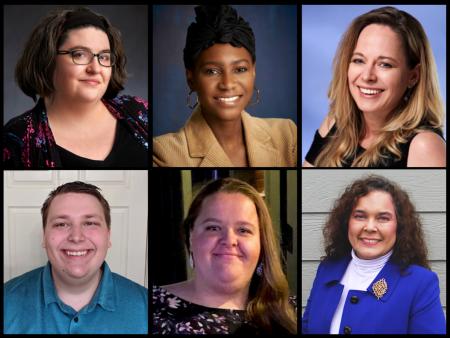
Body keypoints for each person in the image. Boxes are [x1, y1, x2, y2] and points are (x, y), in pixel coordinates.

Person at [3, 7, 148, 168]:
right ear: (47, 59)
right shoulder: (16, 138)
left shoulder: (139, 112)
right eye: (79, 54)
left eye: (104, 57)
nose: (95, 68)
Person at [153, 5, 297, 167]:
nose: (227, 84)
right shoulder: (163, 154)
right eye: (212, 71)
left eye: (240, 69)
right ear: (191, 78)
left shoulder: (287, 135)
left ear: (253, 72)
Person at [303, 6, 445, 167]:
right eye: (359, 60)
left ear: (413, 76)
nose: (367, 76)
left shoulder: (424, 146)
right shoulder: (334, 123)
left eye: (385, 64)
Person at [302, 175, 446, 334]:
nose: (370, 227)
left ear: (399, 226)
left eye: (383, 218)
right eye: (360, 216)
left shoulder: (420, 283)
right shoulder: (327, 269)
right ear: (346, 222)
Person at [152, 178, 297, 334]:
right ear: (190, 237)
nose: (229, 241)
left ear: (262, 244)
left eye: (243, 230)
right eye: (213, 228)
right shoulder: (150, 307)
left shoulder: (292, 313)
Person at [4, 181, 148, 334]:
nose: (76, 237)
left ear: (108, 236)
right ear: (44, 236)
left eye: (90, 223)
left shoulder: (147, 305)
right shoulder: (6, 301)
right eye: (61, 224)